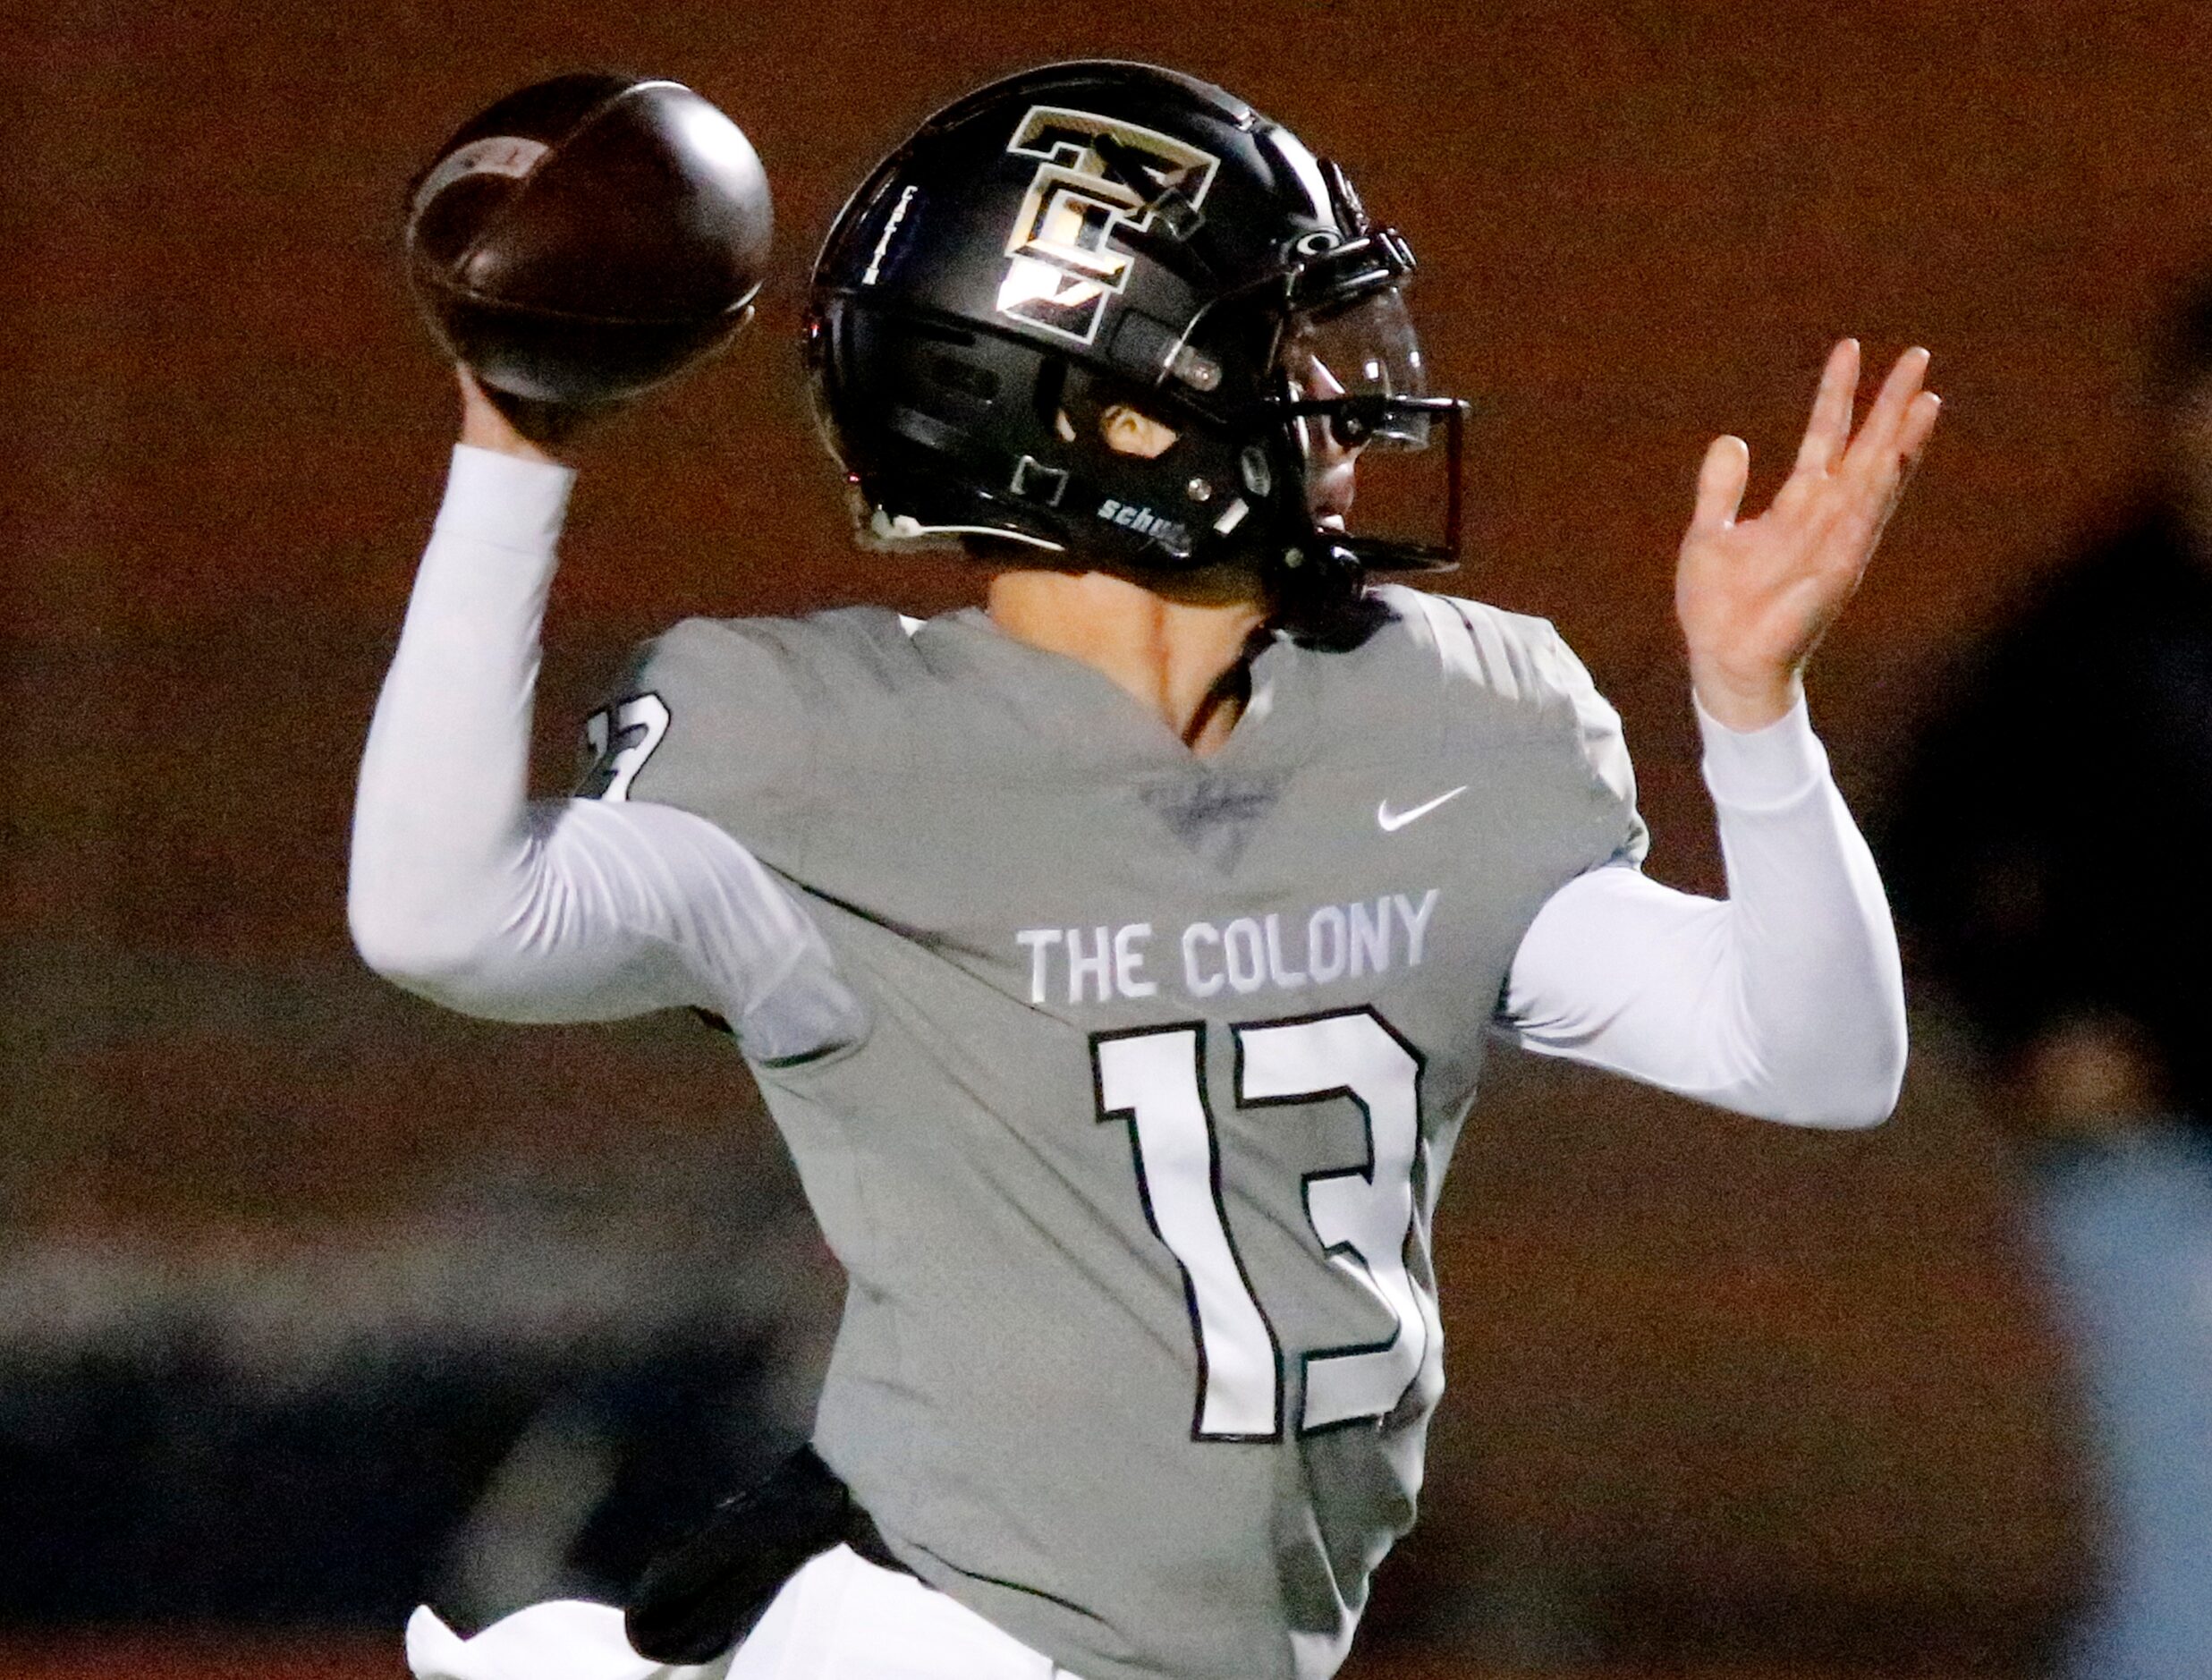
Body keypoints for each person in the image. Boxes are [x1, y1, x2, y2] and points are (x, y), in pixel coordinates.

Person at [352, 60, 1937, 1680]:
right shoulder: (842, 758)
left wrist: (1752, 714)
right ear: (1101, 415)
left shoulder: (1434, 718)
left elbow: (1813, 1055)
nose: (1338, 401)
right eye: (1273, 349)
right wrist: (515, 448)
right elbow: (442, 915)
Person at [1886, 278, 2212, 1679]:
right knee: (2186, 1581)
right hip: (2149, 1163)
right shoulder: (2091, 629)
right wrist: (2034, 1033)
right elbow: (1925, 838)